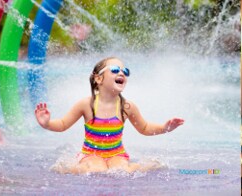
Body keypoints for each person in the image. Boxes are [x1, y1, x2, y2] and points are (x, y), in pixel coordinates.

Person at [35, 57, 184, 174]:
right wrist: (47, 124)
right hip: (91, 154)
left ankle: (142, 166)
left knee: (121, 171)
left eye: (125, 71)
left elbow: (144, 128)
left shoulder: (126, 107)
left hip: (116, 154)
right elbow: (62, 124)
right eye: (114, 69)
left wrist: (165, 127)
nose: (121, 73)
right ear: (98, 79)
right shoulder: (86, 105)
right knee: (97, 170)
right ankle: (68, 168)